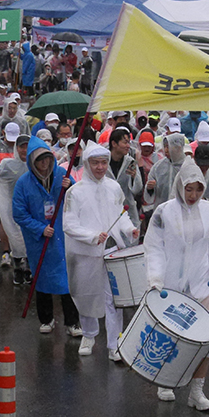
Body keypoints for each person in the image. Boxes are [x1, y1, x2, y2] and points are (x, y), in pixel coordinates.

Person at [145, 158, 209, 411]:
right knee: (172, 337)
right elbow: (154, 247)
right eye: (188, 189)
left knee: (205, 339)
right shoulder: (164, 212)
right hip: (172, 286)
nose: (193, 195)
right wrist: (156, 277)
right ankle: (166, 382)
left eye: (198, 189)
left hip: (203, 284)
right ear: (180, 186)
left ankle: (197, 391)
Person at [63, 141, 137, 359]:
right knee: (87, 295)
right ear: (86, 164)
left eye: (103, 163)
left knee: (115, 299)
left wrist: (130, 228)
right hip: (85, 253)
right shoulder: (75, 193)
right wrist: (92, 237)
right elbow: (69, 224)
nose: (100, 167)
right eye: (95, 163)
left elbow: (119, 215)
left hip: (112, 250)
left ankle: (115, 343)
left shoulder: (113, 188)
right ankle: (89, 334)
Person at [13, 138, 80, 335]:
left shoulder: (62, 175)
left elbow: (78, 199)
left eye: (47, 159)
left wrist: (71, 187)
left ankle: (72, 322)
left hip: (62, 235)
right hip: (39, 240)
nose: (44, 164)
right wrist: (39, 228)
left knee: (66, 279)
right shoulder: (23, 184)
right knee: (41, 277)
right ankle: (46, 319)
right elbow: (19, 213)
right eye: (39, 160)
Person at [0, 133, 31, 284]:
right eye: (21, 147)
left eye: (27, 146)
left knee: (29, 239)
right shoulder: (7, 164)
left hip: (30, 209)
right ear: (16, 148)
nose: (24, 150)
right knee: (16, 240)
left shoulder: (35, 164)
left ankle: (29, 269)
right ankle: (17, 269)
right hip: (13, 209)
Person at [108, 127, 143, 227]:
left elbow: (137, 189)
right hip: (107, 209)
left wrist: (134, 177)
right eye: (125, 142)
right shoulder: (103, 161)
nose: (128, 146)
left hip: (127, 209)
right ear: (114, 144)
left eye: (129, 142)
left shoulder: (130, 162)